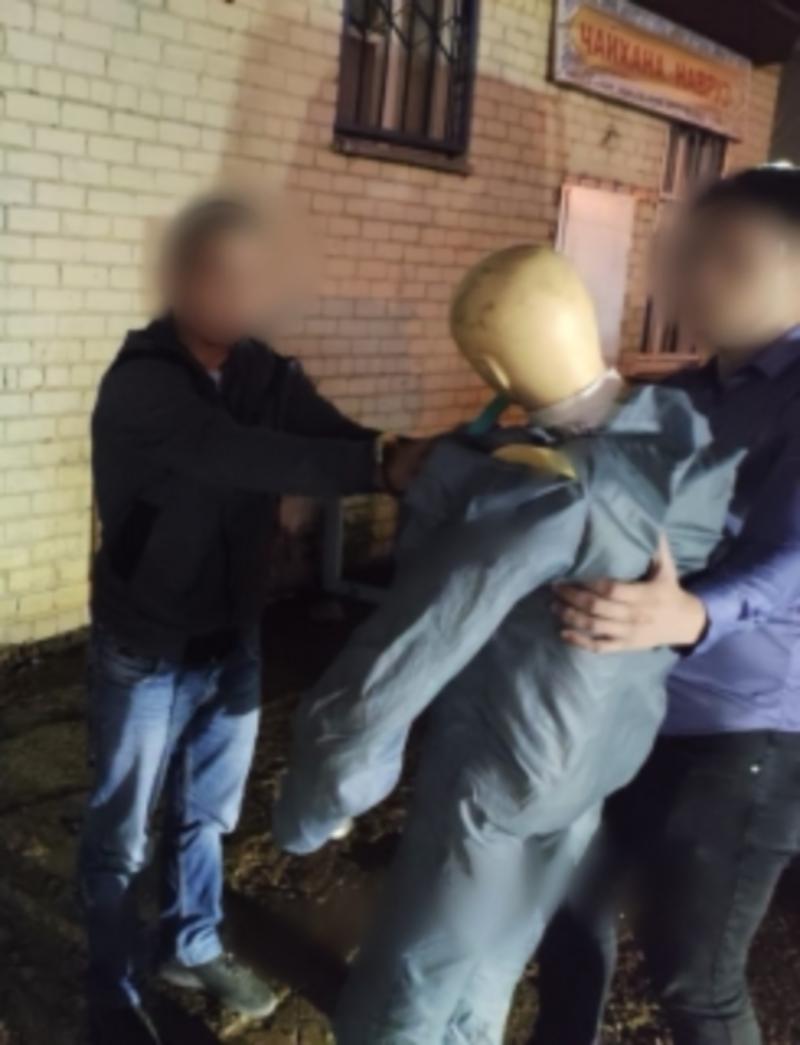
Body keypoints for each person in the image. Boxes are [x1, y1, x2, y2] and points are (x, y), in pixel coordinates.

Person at [272, 244, 738, 1045]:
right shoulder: (680, 442)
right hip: (599, 760)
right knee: (496, 953)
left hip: (504, 767)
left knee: (415, 975)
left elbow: (403, 655)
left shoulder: (545, 493)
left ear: (490, 366)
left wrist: (317, 802)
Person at [80, 195, 428, 1045]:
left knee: (206, 814)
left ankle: (190, 943)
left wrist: (400, 452)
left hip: (231, 633)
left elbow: (327, 432)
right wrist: (374, 466)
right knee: (121, 834)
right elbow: (237, 453)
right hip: (146, 644)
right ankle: (110, 991)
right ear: (181, 281)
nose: (242, 294)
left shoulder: (264, 372)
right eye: (222, 275)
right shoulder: (143, 382)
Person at [533, 166, 800, 1045]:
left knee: (695, 976)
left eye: (732, 256)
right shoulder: (677, 392)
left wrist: (694, 614)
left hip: (743, 732)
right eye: (692, 253)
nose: (699, 276)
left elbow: (790, 557)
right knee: (567, 906)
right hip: (634, 702)